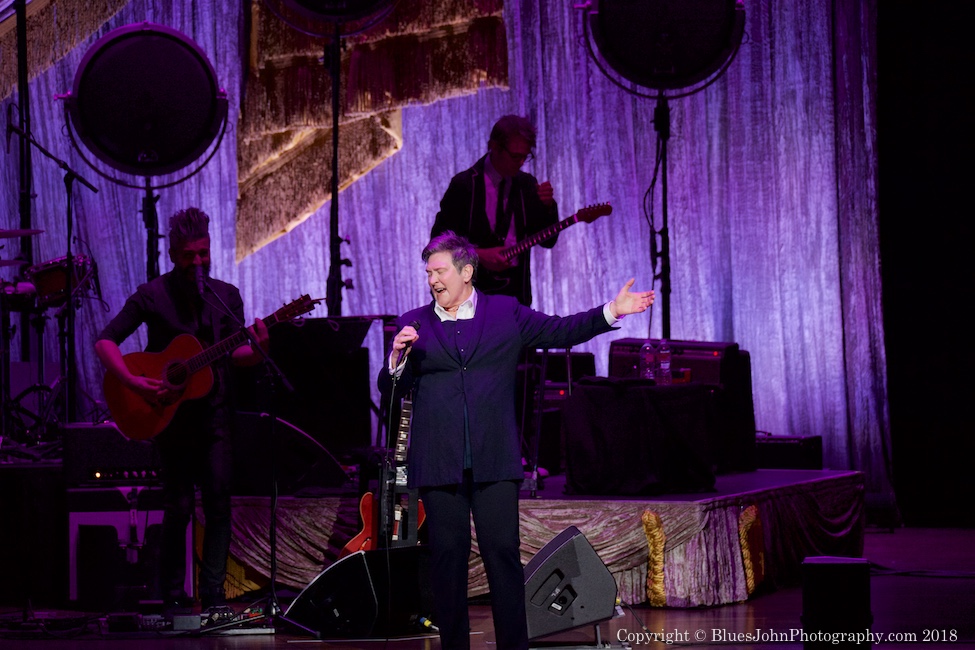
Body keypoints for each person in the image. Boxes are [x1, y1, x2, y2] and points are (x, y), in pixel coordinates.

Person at [379, 231, 654, 650]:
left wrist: (611, 311)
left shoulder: (505, 312)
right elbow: (391, 391)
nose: (433, 280)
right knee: (447, 560)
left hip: (494, 458)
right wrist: (396, 360)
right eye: (428, 273)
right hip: (437, 461)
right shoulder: (414, 322)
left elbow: (560, 330)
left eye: (440, 271)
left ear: (466, 272)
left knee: (502, 555)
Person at [95, 208, 269, 612]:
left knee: (219, 504)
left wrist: (261, 349)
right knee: (178, 507)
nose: (198, 262)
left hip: (215, 417)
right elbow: (105, 341)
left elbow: (236, 354)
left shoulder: (226, 296)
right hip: (170, 419)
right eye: (189, 255)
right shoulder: (152, 294)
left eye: (203, 253)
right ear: (173, 254)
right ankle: (171, 595)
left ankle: (214, 597)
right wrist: (132, 381)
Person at [431, 114, 559, 307]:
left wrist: (548, 207)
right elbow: (439, 244)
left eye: (525, 157)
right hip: (469, 298)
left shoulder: (526, 185)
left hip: (515, 300)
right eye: (515, 156)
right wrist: (479, 255)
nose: (520, 163)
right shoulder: (464, 186)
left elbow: (548, 241)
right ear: (494, 146)